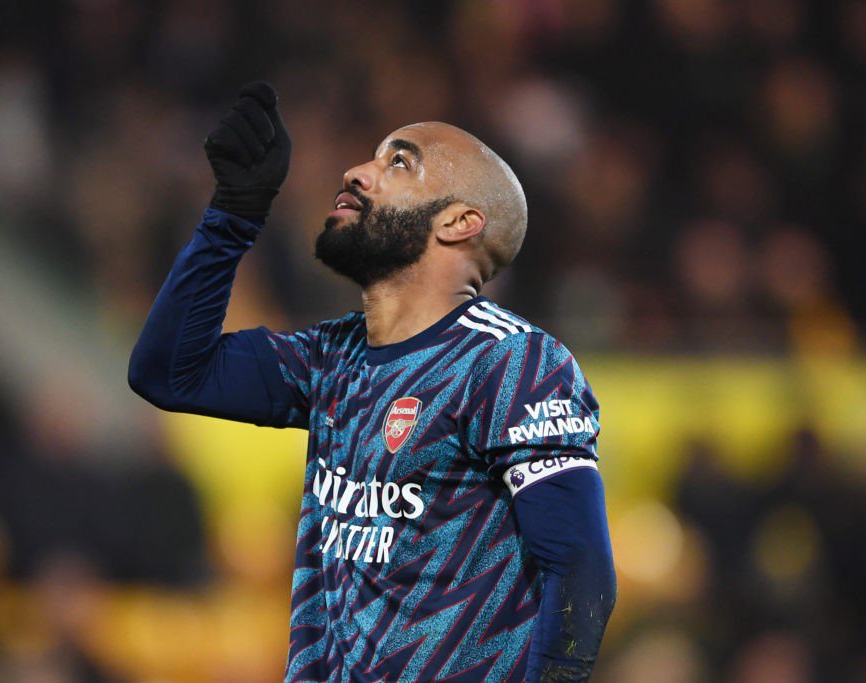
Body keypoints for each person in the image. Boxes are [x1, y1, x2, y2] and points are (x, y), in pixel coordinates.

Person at [129, 82, 616, 682]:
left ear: (459, 222)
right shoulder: (329, 357)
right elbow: (169, 372)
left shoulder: (512, 364)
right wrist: (233, 214)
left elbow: (580, 566)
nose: (357, 172)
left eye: (399, 163)